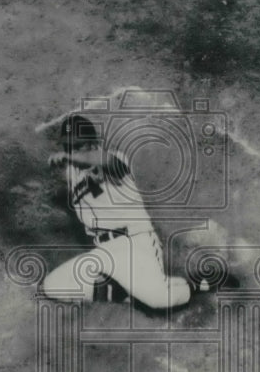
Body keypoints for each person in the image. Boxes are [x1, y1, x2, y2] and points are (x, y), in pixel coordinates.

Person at [40, 114, 203, 310]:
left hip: (134, 245)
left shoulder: (113, 159)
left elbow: (104, 160)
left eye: (79, 145)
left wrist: (69, 157)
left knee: (159, 300)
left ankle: (197, 285)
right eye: (69, 147)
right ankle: (131, 291)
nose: (73, 151)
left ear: (93, 143)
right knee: (54, 286)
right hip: (103, 252)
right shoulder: (72, 173)